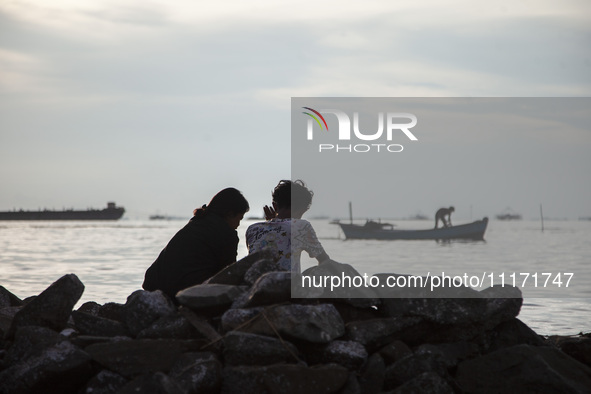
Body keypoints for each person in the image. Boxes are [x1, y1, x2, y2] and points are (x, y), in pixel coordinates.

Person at [142, 187, 249, 299]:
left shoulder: (197, 222)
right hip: (184, 292)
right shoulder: (226, 234)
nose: (238, 224)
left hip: (154, 284)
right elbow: (228, 273)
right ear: (230, 214)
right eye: (239, 219)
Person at [246, 180, 329, 273]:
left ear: (274, 206)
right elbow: (324, 260)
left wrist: (271, 221)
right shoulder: (301, 226)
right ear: (304, 209)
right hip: (285, 285)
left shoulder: (253, 229)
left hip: (256, 285)